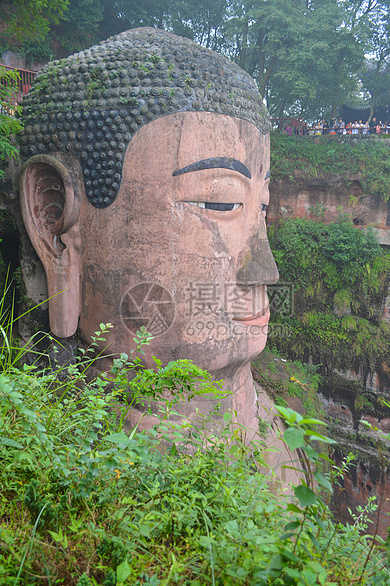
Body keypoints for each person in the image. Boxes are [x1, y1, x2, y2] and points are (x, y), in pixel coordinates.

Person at [19, 28, 300, 482]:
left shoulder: (282, 438)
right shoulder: (57, 469)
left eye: (261, 208)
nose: (266, 270)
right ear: (54, 224)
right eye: (221, 202)